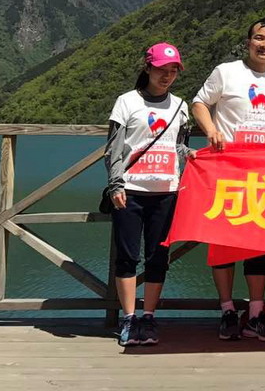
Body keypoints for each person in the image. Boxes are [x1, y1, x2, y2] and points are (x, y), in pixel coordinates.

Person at [192, 18, 265, 342]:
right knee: (222, 246)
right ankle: (228, 311)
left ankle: (255, 315)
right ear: (249, 42)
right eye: (260, 38)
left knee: (259, 247)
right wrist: (211, 130)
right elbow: (199, 103)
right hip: (227, 173)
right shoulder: (226, 72)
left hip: (263, 177)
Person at [104, 42, 193, 347]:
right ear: (147, 68)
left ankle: (149, 316)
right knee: (127, 257)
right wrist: (115, 184)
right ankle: (129, 319)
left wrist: (191, 155)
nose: (167, 76)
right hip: (131, 191)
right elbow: (114, 149)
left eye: (173, 71)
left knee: (158, 258)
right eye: (161, 70)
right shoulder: (126, 102)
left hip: (167, 192)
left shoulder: (180, 106)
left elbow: (178, 145)